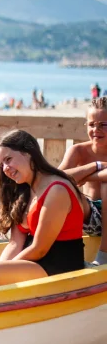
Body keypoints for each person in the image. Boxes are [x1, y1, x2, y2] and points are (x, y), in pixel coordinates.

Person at [0, 130, 85, 299]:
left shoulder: (56, 189)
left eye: (8, 159)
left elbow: (40, 249)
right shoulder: (24, 191)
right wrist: (1, 268)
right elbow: (15, 243)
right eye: (1, 164)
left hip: (58, 266)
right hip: (33, 262)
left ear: (28, 153)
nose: (5, 168)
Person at [59, 96, 107, 265]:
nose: (96, 130)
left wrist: (81, 176)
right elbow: (57, 177)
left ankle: (104, 254)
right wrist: (97, 166)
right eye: (92, 124)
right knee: (59, 189)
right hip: (88, 216)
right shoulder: (78, 151)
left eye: (103, 125)